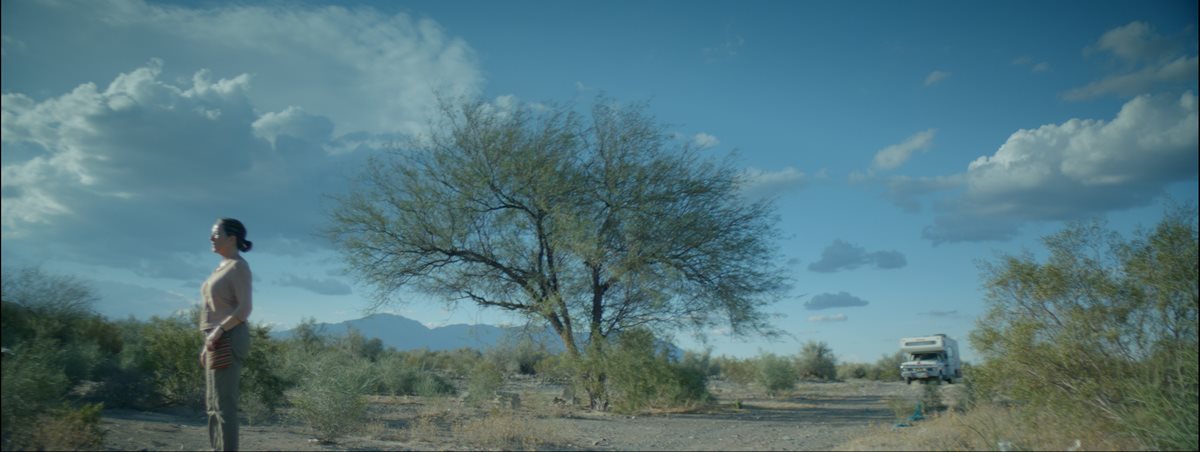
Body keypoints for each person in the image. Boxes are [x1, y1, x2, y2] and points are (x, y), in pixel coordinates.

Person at [200, 218, 253, 451]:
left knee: (224, 407)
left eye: (215, 233)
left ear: (231, 238)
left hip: (228, 337)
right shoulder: (221, 267)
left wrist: (218, 332)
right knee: (212, 405)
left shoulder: (238, 267)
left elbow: (244, 309)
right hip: (215, 338)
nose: (211, 238)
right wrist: (207, 342)